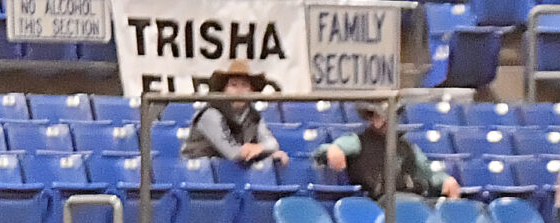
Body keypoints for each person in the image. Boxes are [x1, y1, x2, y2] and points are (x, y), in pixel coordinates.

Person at [315, 102, 461, 202]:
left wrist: (445, 180)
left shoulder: (406, 147)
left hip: (412, 200)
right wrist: (333, 150)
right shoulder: (358, 141)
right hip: (378, 204)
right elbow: (326, 150)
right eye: (376, 115)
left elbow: (428, 171)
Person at [181, 60, 288, 168]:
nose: (239, 90)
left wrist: (260, 148)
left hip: (231, 172)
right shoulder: (210, 114)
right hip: (199, 172)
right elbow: (232, 153)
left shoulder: (253, 116)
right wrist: (260, 153)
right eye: (233, 85)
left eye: (244, 85)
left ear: (251, 90)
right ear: (223, 89)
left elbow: (272, 143)